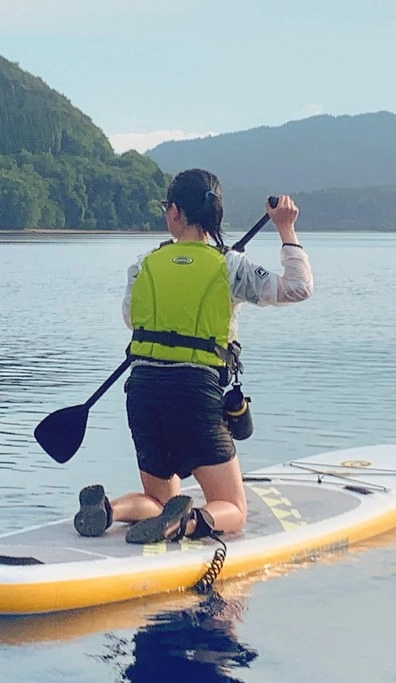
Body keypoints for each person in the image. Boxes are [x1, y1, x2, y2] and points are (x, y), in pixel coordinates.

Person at [74, 168, 313, 544]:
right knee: (232, 507)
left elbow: (130, 319)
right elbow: (298, 289)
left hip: (143, 392)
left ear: (174, 213)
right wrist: (285, 228)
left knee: (157, 497)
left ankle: (108, 511)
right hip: (194, 395)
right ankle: (184, 523)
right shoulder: (230, 266)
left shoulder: (144, 264)